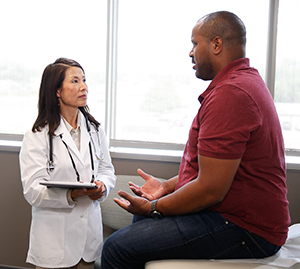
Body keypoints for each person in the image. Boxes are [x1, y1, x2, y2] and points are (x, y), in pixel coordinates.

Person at [100, 11, 290, 269]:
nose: (190, 52)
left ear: (216, 44)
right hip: (239, 217)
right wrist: (166, 188)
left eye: (194, 43)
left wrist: (155, 206)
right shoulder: (244, 81)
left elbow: (211, 188)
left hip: (247, 229)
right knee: (141, 221)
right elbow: (217, 168)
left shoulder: (231, 94)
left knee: (116, 247)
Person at [19, 58, 116, 269]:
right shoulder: (37, 135)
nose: (84, 87)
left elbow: (107, 170)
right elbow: (32, 191)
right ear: (57, 90)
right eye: (74, 81)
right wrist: (70, 194)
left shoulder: (95, 129)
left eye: (84, 80)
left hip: (87, 241)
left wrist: (102, 187)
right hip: (54, 242)